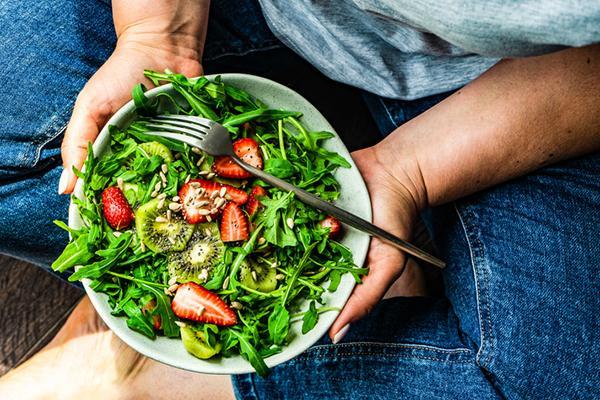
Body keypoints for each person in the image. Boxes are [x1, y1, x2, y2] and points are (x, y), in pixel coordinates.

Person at [0, 0, 598, 398]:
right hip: (275, 16)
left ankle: (183, 375)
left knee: (547, 378)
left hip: (528, 90)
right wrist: (159, 33)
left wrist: (409, 169)